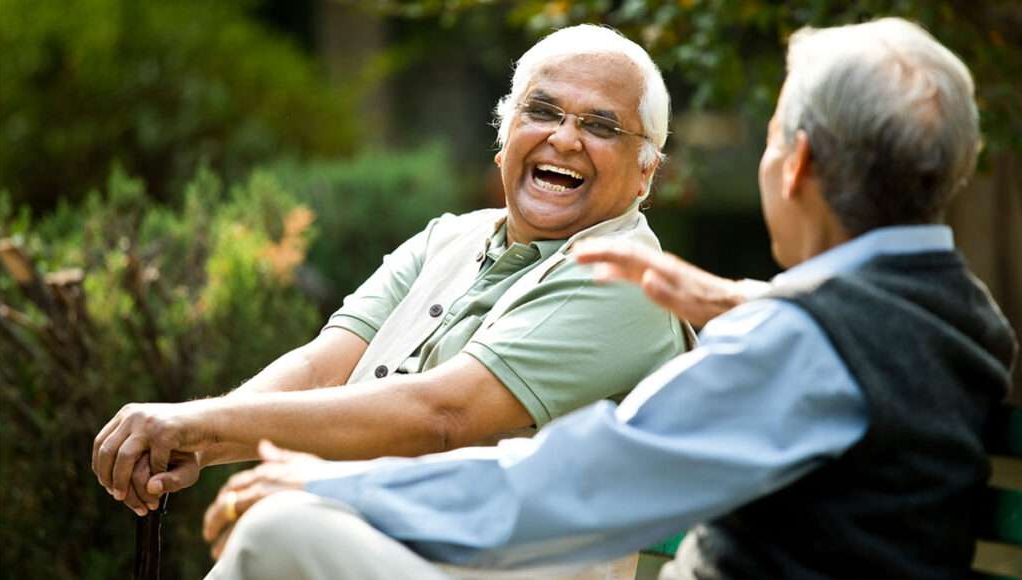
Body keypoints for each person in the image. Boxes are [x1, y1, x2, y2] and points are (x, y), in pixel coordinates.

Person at [198, 17, 1017, 580]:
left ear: (795, 164)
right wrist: (759, 303)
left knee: (282, 531)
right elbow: (856, 354)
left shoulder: (804, 345)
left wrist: (325, 484)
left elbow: (570, 482)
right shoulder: (962, 318)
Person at [91, 23, 689, 549]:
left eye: (600, 126)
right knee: (276, 525)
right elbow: (323, 366)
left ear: (646, 171)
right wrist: (196, 442)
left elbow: (443, 415)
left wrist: (201, 427)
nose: (564, 138)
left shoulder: (626, 277)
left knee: (279, 530)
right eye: (542, 111)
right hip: (389, 536)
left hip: (511, 561)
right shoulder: (447, 238)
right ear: (505, 135)